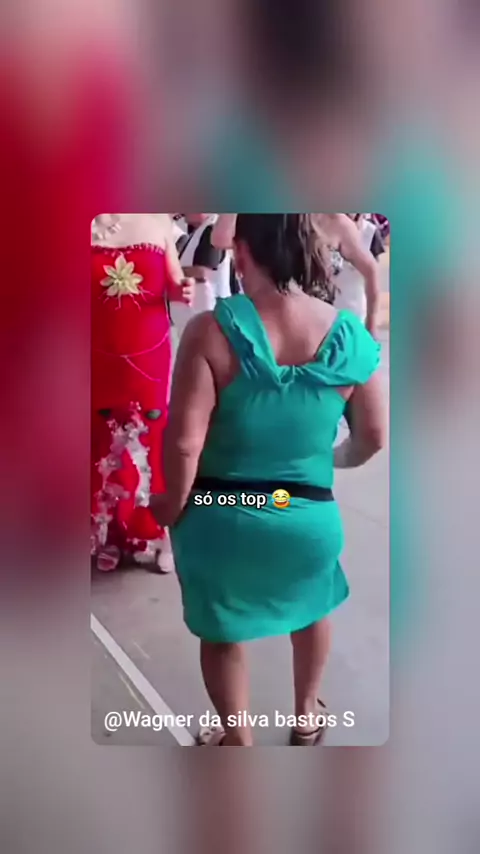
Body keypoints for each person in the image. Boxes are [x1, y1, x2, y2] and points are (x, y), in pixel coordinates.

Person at [151, 214, 386, 746]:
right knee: (313, 606)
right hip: (305, 514)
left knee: (222, 629)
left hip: (220, 512)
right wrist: (327, 462)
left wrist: (170, 505)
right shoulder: (347, 333)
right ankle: (305, 714)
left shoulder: (210, 330)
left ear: (242, 252)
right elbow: (373, 437)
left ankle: (238, 737)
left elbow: (185, 442)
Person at [91, 214, 193, 571]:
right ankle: (110, 533)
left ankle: (155, 531)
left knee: (151, 437)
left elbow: (174, 282)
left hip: (148, 353)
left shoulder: (158, 220)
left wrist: (183, 289)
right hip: (96, 352)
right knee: (103, 441)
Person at [170, 214, 233, 338]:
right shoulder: (198, 233)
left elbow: (203, 271)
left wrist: (167, 271)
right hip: (194, 327)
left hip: (207, 329)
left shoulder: (211, 229)